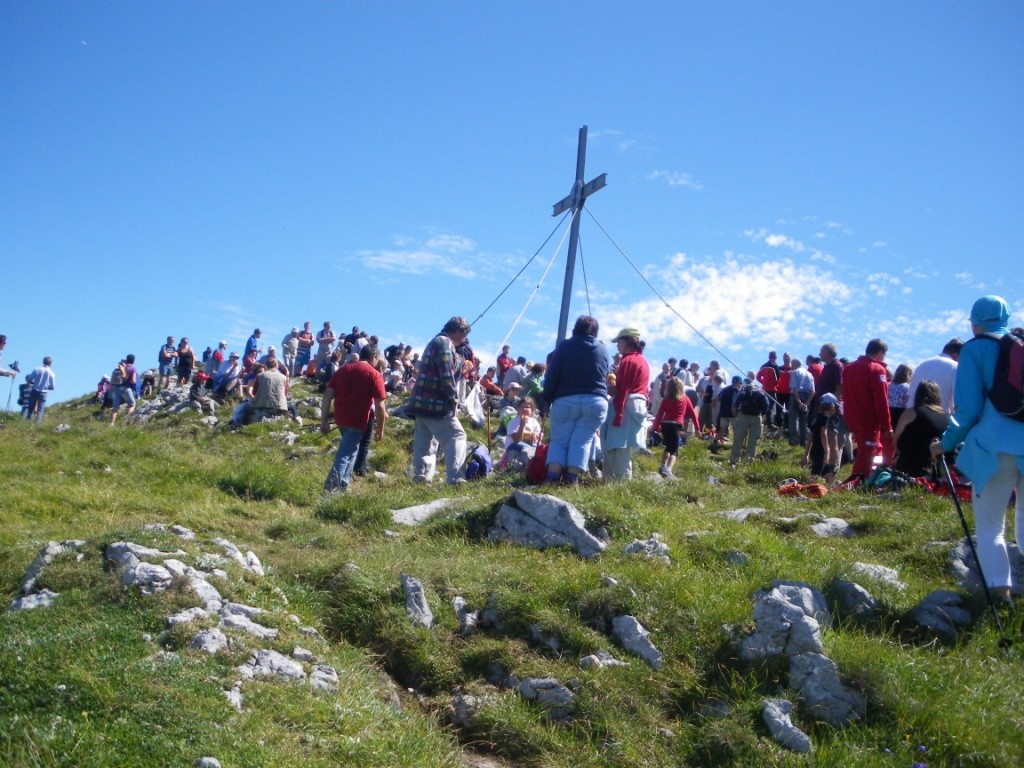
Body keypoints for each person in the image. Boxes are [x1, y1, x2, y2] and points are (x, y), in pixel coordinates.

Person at [931, 296, 1024, 601]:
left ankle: (1000, 597)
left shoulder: (975, 348)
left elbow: (968, 409)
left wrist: (944, 444)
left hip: (993, 450)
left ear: (975, 322)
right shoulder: (1020, 345)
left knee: (990, 527)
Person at [542, 315, 610, 485]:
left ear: (575, 329)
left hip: (566, 399)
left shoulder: (564, 346)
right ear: (595, 332)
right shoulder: (603, 349)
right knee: (582, 440)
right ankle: (572, 480)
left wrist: (546, 399)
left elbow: (552, 375)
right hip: (595, 401)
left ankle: (552, 479)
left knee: (559, 440)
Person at [407, 316, 471, 485]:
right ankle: (456, 479)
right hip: (435, 404)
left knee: (426, 444)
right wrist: (453, 399)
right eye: (463, 336)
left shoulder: (435, 342)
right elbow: (446, 375)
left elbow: (445, 368)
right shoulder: (445, 343)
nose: (463, 340)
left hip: (420, 404)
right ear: (457, 331)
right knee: (457, 435)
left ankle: (420, 480)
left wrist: (461, 367)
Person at [321, 343, 387, 493]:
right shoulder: (375, 374)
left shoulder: (343, 369)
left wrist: (323, 420)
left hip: (341, 418)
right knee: (345, 453)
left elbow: (327, 395)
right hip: (357, 420)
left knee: (352, 449)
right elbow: (380, 406)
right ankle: (330, 490)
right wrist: (380, 428)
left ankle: (344, 484)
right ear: (374, 357)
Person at [842, 338, 893, 484]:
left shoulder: (849, 368)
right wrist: (887, 426)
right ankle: (857, 483)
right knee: (867, 453)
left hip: (852, 418)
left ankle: (867, 479)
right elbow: (881, 400)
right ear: (879, 352)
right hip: (868, 420)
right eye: (884, 354)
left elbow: (844, 394)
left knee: (872, 449)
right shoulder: (877, 369)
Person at [602, 327, 650, 482]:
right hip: (637, 406)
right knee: (624, 449)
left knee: (618, 447)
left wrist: (608, 387)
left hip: (626, 406)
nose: (617, 345)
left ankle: (617, 486)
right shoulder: (642, 360)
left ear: (628, 341)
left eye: (620, 341)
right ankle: (617, 486)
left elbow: (622, 390)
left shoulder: (628, 360)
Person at [893, 380, 949, 477]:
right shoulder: (947, 417)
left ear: (918, 394)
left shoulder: (910, 413)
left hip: (908, 468)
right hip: (936, 470)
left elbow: (895, 442)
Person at [652, 376, 700, 478]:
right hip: (676, 425)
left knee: (667, 447)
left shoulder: (666, 399)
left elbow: (659, 414)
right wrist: (697, 429)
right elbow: (693, 414)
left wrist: (655, 427)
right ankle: (668, 470)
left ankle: (662, 466)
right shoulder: (685, 398)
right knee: (674, 450)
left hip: (665, 425)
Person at [909, 338, 962, 414]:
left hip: (914, 418)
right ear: (956, 355)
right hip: (940, 420)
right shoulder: (955, 367)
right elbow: (960, 400)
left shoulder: (921, 365)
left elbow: (909, 398)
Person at [802, 392, 841, 484]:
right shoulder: (825, 417)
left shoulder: (816, 418)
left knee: (828, 472)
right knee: (815, 474)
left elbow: (810, 435)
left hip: (814, 450)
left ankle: (829, 488)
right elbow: (823, 433)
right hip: (820, 451)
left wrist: (806, 454)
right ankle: (809, 489)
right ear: (831, 406)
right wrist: (827, 452)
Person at [730, 378, 770, 465]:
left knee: (738, 439)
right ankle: (749, 460)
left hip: (743, 416)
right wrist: (763, 416)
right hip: (756, 417)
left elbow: (734, 407)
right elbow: (766, 406)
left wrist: (736, 416)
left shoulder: (743, 393)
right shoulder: (761, 393)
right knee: (753, 440)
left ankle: (734, 459)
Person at [500, 397, 542, 472]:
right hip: (514, 446)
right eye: (522, 407)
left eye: (527, 407)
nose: (524, 409)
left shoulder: (534, 422)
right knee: (531, 450)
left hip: (530, 446)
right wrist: (522, 425)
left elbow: (539, 438)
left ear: (532, 410)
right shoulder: (513, 422)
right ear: (517, 409)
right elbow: (516, 439)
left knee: (538, 448)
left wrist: (536, 436)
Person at [786, 357, 815, 447]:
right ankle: (803, 441)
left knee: (793, 419)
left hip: (796, 396)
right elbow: (813, 391)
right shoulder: (810, 374)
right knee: (804, 420)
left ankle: (794, 440)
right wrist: (807, 402)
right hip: (806, 397)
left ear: (795, 364)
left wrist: (798, 402)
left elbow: (794, 388)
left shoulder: (795, 372)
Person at [110, 354, 139, 425]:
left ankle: (111, 423)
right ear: (134, 360)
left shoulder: (122, 366)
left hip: (116, 389)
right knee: (132, 404)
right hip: (126, 389)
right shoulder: (132, 368)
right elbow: (133, 381)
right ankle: (124, 421)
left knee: (115, 408)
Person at [25, 357, 56, 423]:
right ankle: (37, 424)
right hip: (43, 392)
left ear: (43, 362)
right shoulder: (52, 373)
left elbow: (29, 378)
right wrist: (47, 387)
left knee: (31, 407)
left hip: (34, 390)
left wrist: (33, 383)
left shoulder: (37, 369)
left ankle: (27, 422)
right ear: (51, 363)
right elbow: (52, 387)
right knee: (40, 409)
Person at [887, 363, 913, 428]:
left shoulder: (889, 386)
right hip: (900, 416)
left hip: (888, 415)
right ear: (908, 374)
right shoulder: (907, 387)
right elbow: (907, 404)